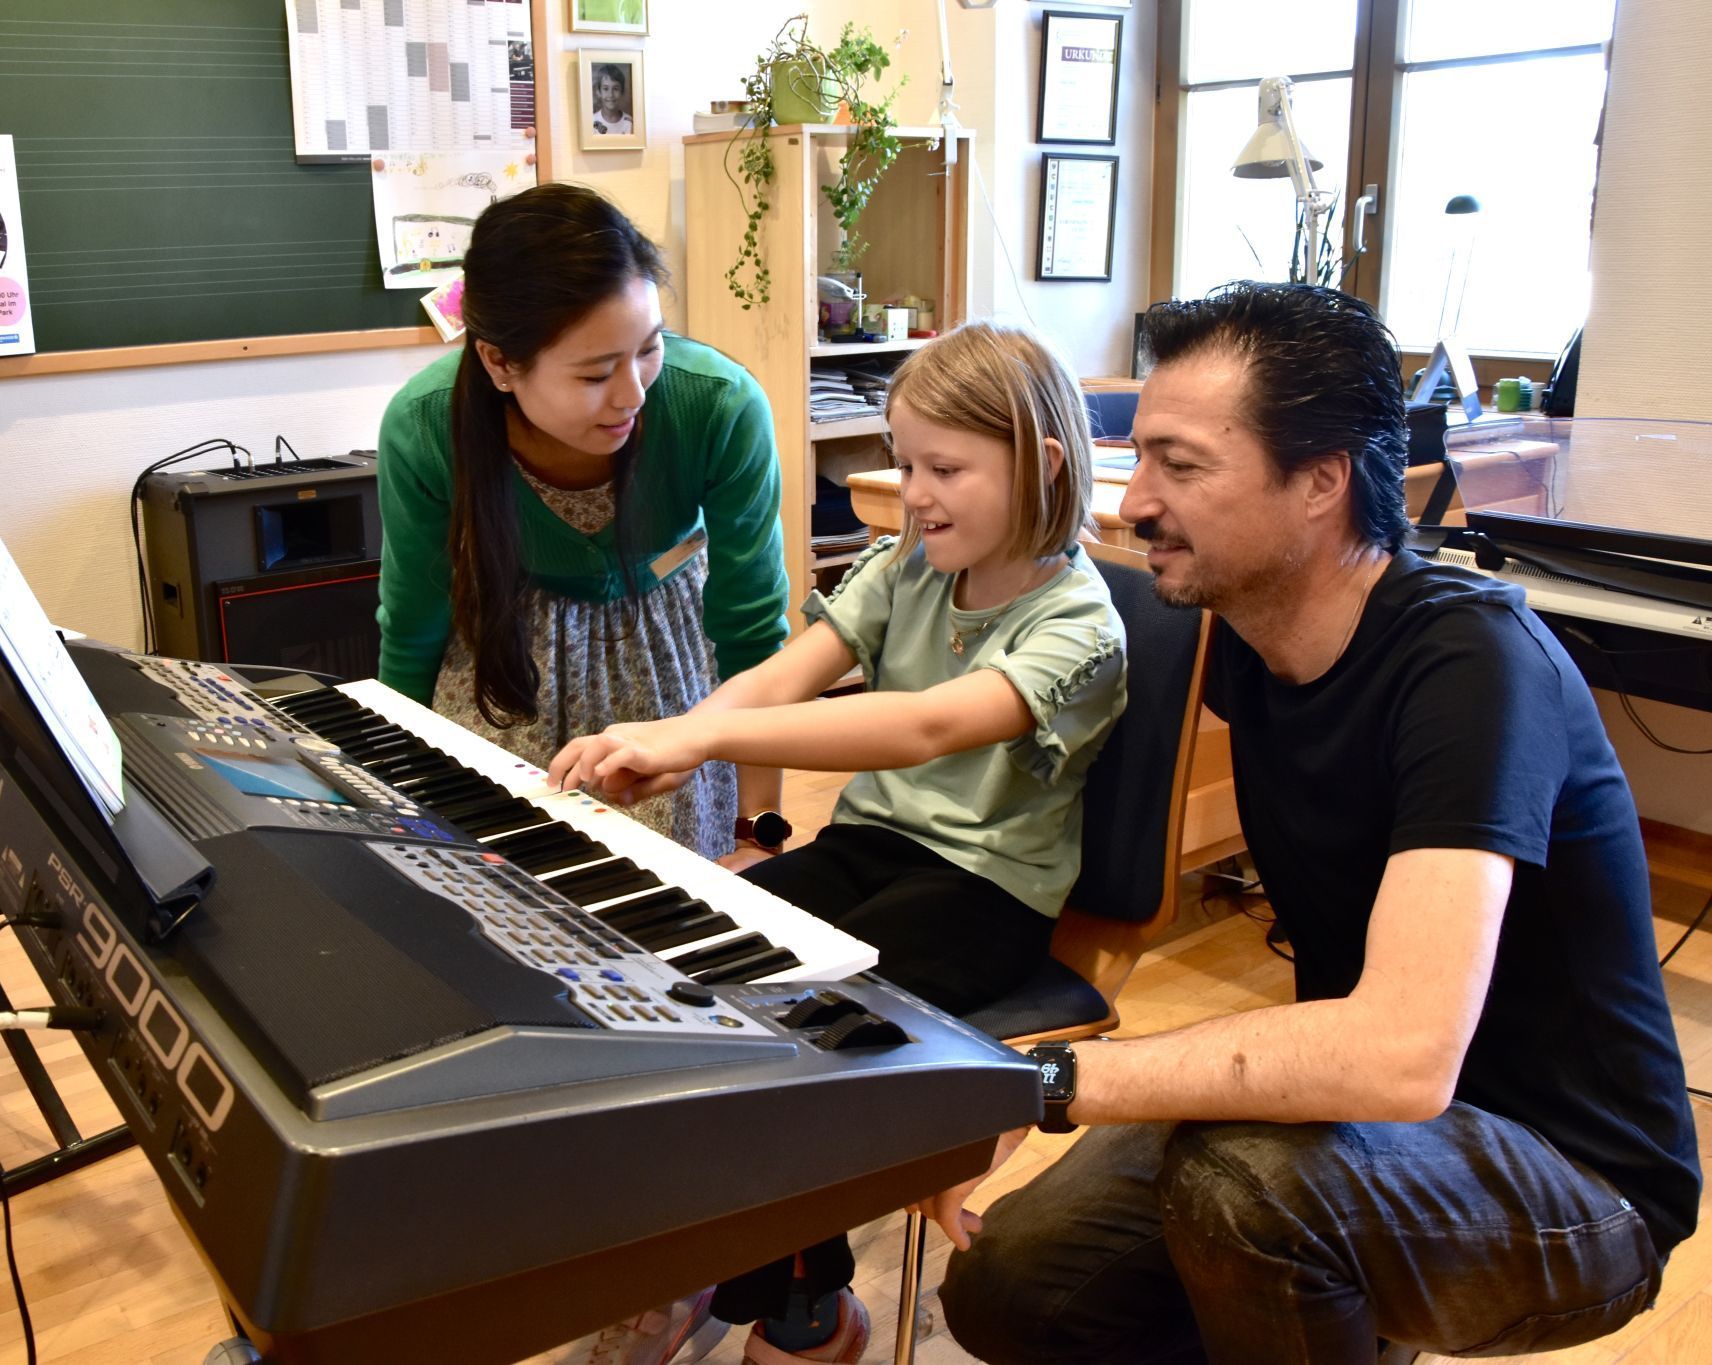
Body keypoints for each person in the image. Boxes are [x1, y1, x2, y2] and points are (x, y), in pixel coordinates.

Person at [925, 282, 1701, 1365]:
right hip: (1341, 1134)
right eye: (1136, 457)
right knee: (1013, 1289)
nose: (1132, 503)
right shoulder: (1247, 637)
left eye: (1179, 465)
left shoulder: (1470, 666)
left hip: (1573, 1181)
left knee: (1246, 1194)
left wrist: (1045, 1081)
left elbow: (1398, 1058)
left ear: (1320, 483)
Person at [547, 321, 1126, 1365]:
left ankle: (802, 1306)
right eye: (904, 463)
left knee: (800, 1048)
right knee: (686, 980)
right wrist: (683, 740)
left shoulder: (1081, 625)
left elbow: (928, 725)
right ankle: (708, 1246)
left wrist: (709, 733)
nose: (913, 492)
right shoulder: (904, 564)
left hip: (984, 894)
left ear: (1040, 466)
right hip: (871, 849)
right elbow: (783, 672)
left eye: (944, 468)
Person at [376, 182, 788, 864]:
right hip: (506, 669)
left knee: (666, 907)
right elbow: (412, 627)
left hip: (665, 664)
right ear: (500, 362)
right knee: (503, 892)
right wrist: (394, 803)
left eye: (649, 348)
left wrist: (757, 830)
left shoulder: (719, 405)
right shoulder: (424, 426)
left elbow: (750, 630)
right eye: (597, 373)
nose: (633, 393)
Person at [592, 63, 633, 136]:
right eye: (605, 89)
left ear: (622, 92)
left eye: (615, 89)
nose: (610, 95)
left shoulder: (630, 123)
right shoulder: (592, 121)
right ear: (598, 92)